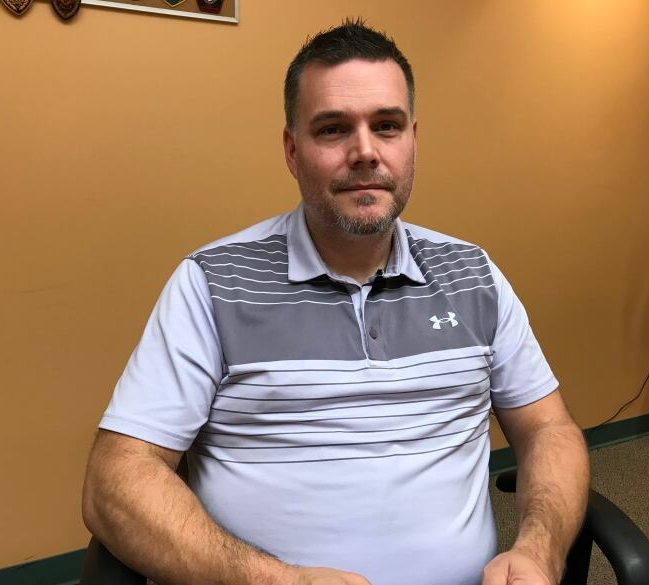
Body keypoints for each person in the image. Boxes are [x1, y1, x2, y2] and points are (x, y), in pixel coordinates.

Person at [82, 19, 590, 585]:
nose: (365, 152)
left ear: (413, 140)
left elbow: (549, 430)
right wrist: (277, 581)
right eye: (332, 130)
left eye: (387, 126)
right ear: (292, 150)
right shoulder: (211, 283)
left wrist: (540, 549)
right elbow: (116, 481)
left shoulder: (473, 274)